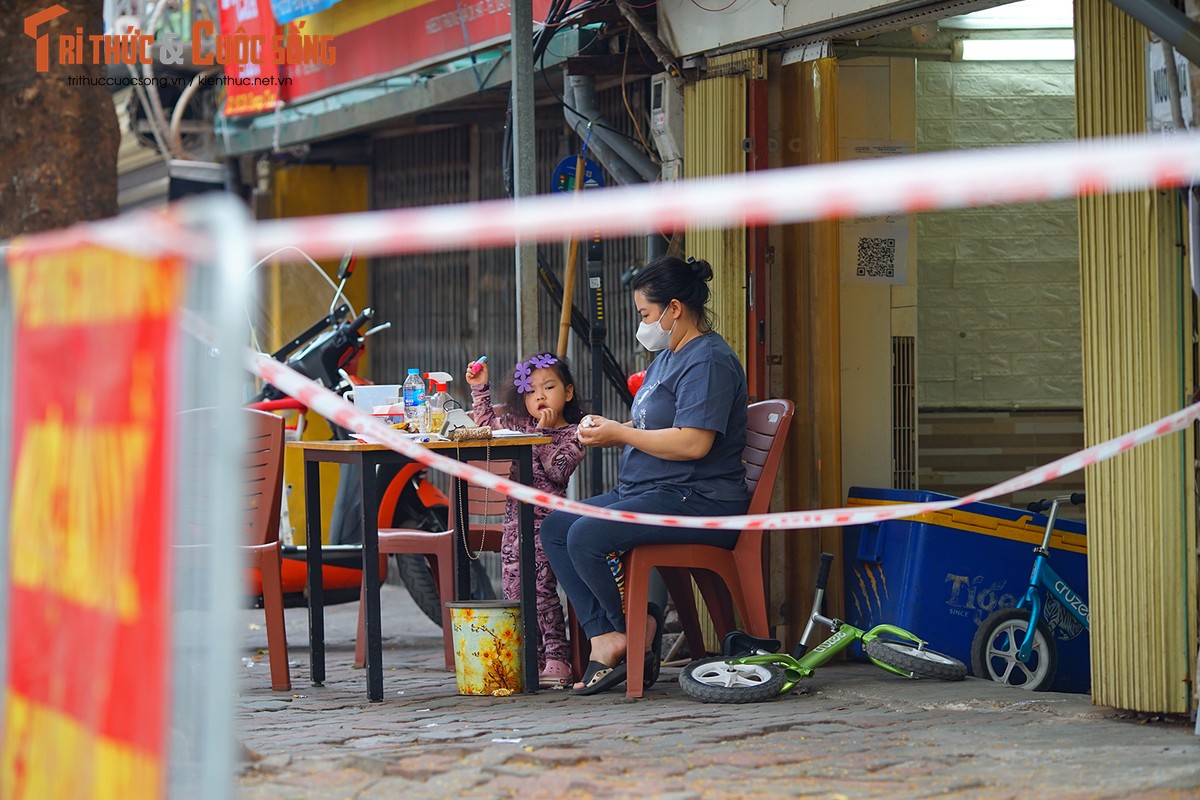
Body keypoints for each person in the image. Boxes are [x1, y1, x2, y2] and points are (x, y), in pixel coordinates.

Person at [540, 254, 750, 695]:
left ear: (674, 309)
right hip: (654, 489)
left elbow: (694, 443)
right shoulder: (668, 356)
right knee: (557, 526)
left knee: (586, 537)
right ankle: (609, 635)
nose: (643, 324)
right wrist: (614, 431)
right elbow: (655, 427)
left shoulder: (708, 360)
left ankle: (636, 636)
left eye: (646, 314)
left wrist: (623, 435)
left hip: (697, 496)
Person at [465, 352, 586, 688]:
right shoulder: (518, 427)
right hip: (514, 525)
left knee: (542, 590)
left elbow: (557, 472)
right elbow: (487, 425)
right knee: (515, 590)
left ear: (569, 392)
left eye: (549, 387)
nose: (541, 396)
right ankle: (528, 659)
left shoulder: (576, 434)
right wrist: (480, 389)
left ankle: (557, 659)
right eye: (532, 391)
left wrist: (544, 434)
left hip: (548, 527)